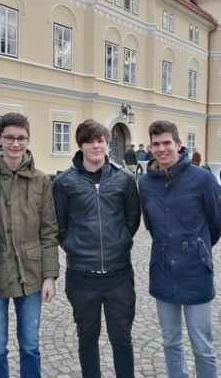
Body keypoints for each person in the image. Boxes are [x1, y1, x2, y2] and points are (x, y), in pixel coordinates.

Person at [0, 112, 59, 378]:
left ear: (28, 140)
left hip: (31, 274)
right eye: (9, 137)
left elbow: (49, 229)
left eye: (21, 138)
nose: (15, 144)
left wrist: (50, 276)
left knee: (30, 345)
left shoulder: (41, 180)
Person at [53, 119, 141, 378]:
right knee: (87, 338)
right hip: (82, 276)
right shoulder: (64, 182)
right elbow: (59, 224)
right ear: (81, 145)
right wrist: (73, 245)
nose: (96, 145)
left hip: (119, 276)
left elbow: (132, 219)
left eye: (100, 140)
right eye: (90, 141)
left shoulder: (124, 180)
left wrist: (121, 240)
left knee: (122, 338)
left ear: (107, 143)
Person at [138, 120, 221, 378]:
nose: (162, 149)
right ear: (150, 148)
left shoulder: (202, 179)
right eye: (156, 144)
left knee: (202, 345)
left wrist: (198, 247)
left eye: (167, 143)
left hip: (195, 270)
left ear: (178, 144)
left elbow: (216, 222)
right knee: (170, 341)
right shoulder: (145, 183)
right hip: (163, 269)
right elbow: (151, 224)